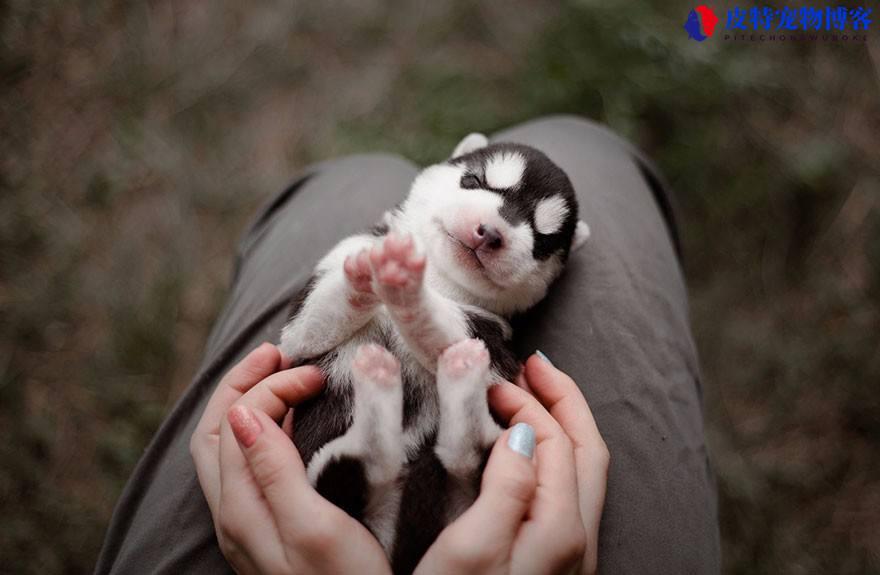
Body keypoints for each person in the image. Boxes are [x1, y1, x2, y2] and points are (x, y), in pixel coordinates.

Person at [94, 116, 720, 574]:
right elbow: (303, 342)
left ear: (552, 274)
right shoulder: (357, 256)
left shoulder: (484, 323)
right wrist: (361, 291)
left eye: (536, 235)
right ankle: (370, 446)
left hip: (436, 502)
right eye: (480, 180)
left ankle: (386, 441)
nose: (496, 226)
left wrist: (405, 299)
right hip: (387, 496)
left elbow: (461, 362)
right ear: (452, 164)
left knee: (471, 389)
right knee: (590, 144)